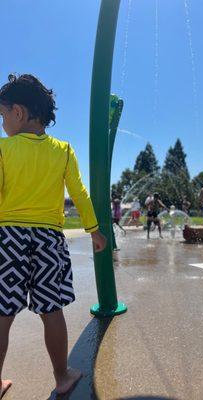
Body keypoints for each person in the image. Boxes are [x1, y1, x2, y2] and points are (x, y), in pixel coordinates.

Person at [0, 74, 107, 398]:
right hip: (48, 240)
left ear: (18, 112)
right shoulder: (62, 150)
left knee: (2, 314)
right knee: (52, 311)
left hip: (8, 238)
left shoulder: (4, 149)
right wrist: (94, 230)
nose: (3, 123)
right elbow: (79, 192)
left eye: (2, 116)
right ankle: (62, 376)